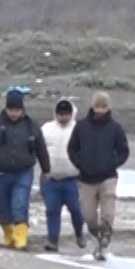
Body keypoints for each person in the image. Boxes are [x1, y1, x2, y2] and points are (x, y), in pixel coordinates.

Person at [0, 87, 50, 251]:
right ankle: (8, 235)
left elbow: (41, 147)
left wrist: (46, 168)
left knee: (19, 203)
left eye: (17, 110)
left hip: (23, 173)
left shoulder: (31, 125)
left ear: (22, 109)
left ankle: (21, 237)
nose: (14, 113)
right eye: (11, 110)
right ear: (6, 108)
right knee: (1, 205)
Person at [67, 90, 130, 261]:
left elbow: (124, 151)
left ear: (108, 107)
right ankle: (97, 236)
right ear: (92, 107)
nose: (100, 110)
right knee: (88, 216)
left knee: (108, 212)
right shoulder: (81, 126)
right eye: (97, 106)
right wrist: (80, 164)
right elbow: (72, 149)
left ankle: (105, 240)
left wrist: (112, 163)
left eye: (104, 107)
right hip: (86, 178)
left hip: (108, 177)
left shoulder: (115, 128)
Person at [36, 98, 87, 254]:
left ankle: (79, 232)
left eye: (66, 114)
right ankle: (52, 240)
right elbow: (37, 148)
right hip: (50, 178)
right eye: (60, 114)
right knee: (52, 209)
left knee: (76, 209)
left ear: (71, 114)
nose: (63, 117)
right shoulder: (46, 129)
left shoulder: (80, 129)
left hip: (73, 179)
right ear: (55, 114)